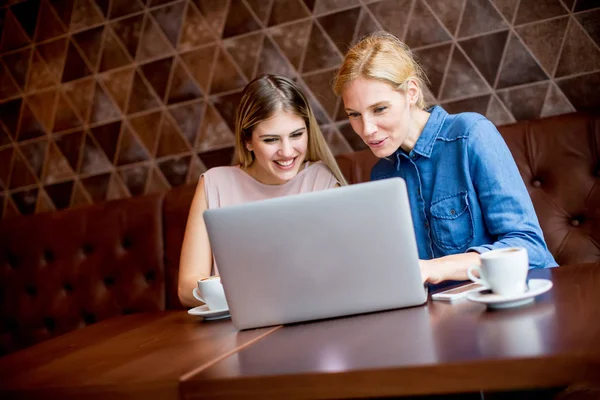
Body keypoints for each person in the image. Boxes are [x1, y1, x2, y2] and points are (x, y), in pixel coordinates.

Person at [332, 32, 557, 287]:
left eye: (379, 109)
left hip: (526, 297)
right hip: (449, 315)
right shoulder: (382, 174)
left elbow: (529, 247)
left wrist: (436, 268)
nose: (367, 129)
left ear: (411, 92)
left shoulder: (471, 134)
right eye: (354, 115)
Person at [178, 74, 347, 307]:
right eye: (271, 140)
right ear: (248, 141)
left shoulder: (322, 181)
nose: (287, 152)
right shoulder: (213, 184)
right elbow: (187, 289)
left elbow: (341, 275)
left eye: (297, 135)